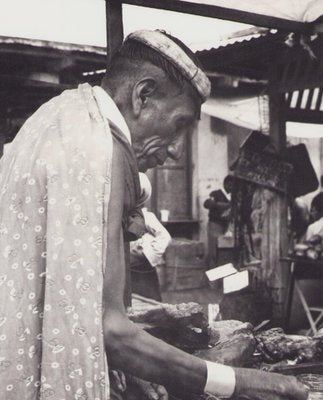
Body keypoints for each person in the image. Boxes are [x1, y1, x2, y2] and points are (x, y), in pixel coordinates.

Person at [0, 29, 307, 400]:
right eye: (179, 124)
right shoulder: (102, 149)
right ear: (143, 96)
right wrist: (238, 382)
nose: (177, 151)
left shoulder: (57, 119)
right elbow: (110, 331)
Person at [130, 207, 171, 301]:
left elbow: (165, 237)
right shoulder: (117, 216)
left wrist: (146, 254)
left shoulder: (145, 216)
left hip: (142, 269)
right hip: (124, 270)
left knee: (150, 303)